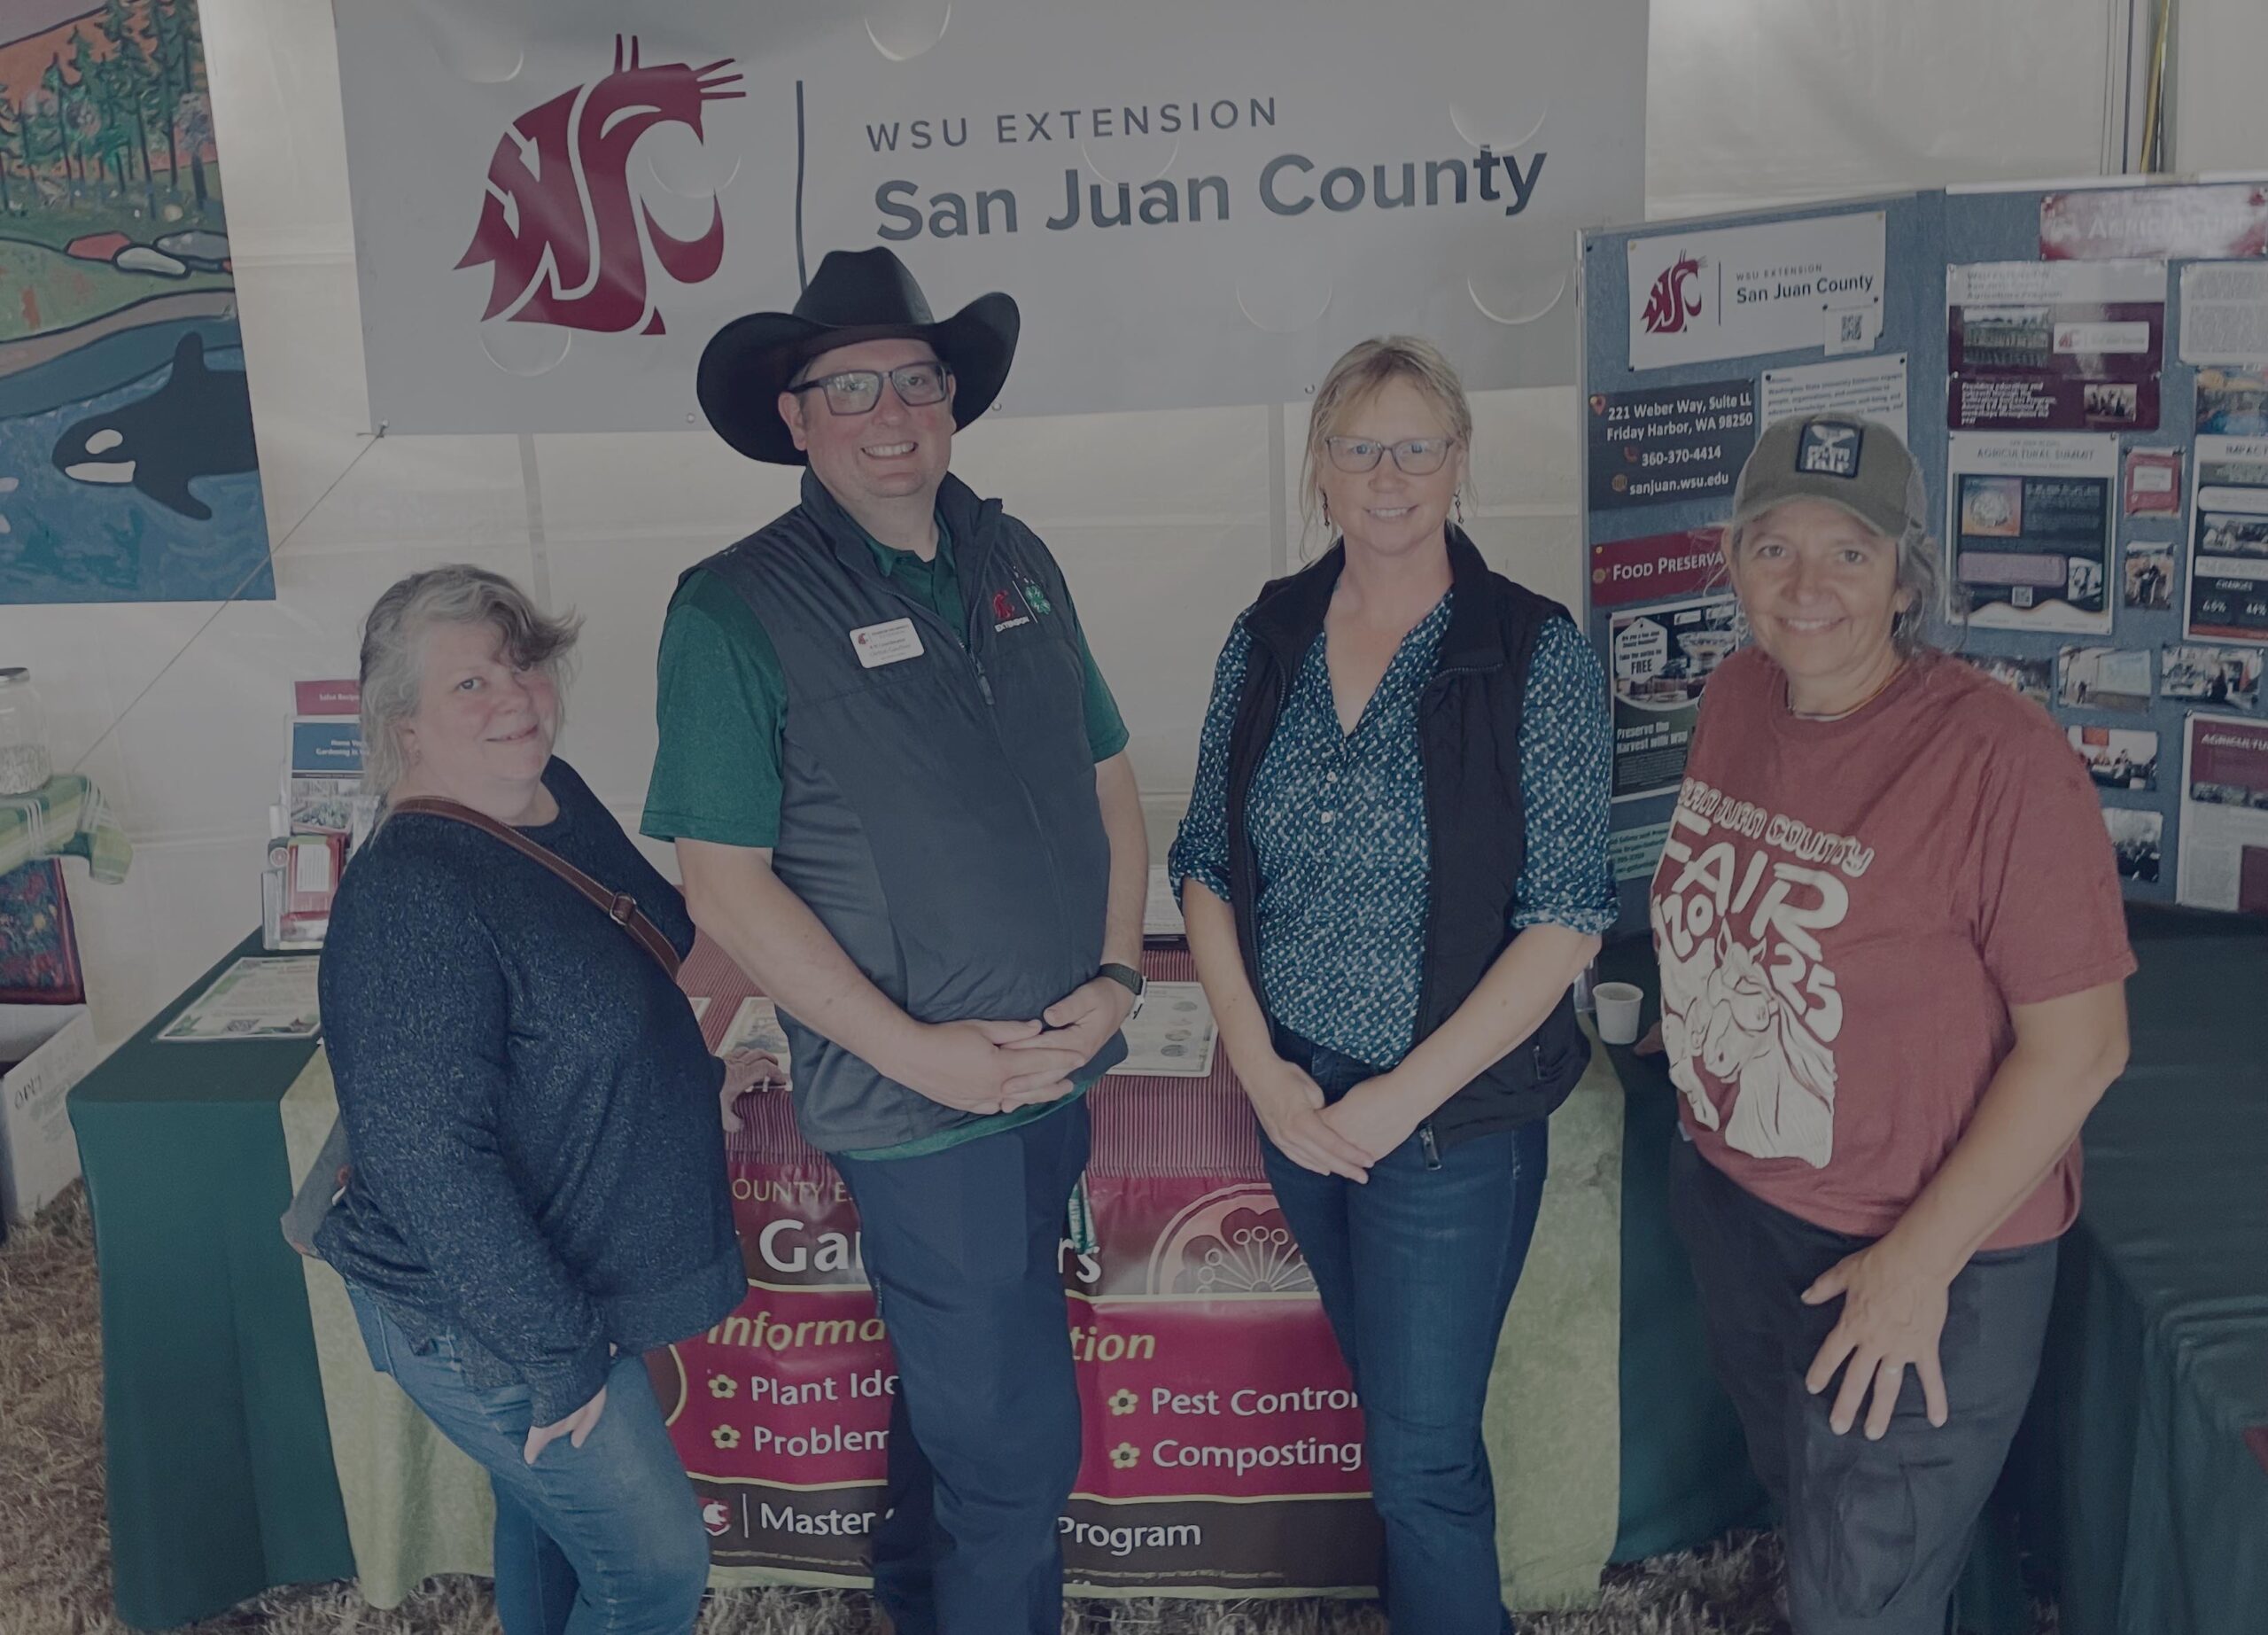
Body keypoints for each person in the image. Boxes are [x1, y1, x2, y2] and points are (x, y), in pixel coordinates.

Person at [646, 246, 1147, 1634]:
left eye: (914, 378)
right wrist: (923, 1056)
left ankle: (916, 1601)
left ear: (951, 398)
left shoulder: (1015, 552)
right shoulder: (734, 606)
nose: (889, 410)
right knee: (1015, 1454)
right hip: (924, 1113)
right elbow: (728, 889)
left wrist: (1116, 976)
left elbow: (1109, 779)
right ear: (794, 418)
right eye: (847, 385)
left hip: (1056, 1067)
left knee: (964, 1412)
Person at [1649, 413, 2133, 1635]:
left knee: (1858, 1597)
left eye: (1850, 554)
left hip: (1922, 1255)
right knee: (1827, 1524)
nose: (1807, 587)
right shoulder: (1737, 693)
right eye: (1773, 549)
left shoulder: (2003, 761)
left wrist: (1918, 1268)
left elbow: (2083, 1047)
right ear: (1732, 562)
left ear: (1908, 576)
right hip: (1744, 1207)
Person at [1169, 336, 1614, 1633]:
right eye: (1361, 445)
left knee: (1421, 1461)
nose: (1389, 473)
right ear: (1319, 467)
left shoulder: (1533, 651)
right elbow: (1203, 861)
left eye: (1418, 445)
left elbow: (1564, 916)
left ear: (1460, 462)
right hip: (1300, 1096)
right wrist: (1264, 1069)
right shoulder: (1267, 636)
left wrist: (1396, 1104)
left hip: (1446, 1127)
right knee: (1397, 1420)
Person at [315, 566, 747, 1635]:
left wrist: (695, 1073)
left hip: (564, 1274)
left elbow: (659, 947)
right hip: (491, 1317)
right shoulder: (413, 894)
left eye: (521, 666)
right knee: (651, 1570)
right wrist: (559, 1364)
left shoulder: (553, 796)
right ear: (403, 724)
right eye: (469, 684)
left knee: (556, 1529)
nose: (515, 698)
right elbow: (429, 1164)